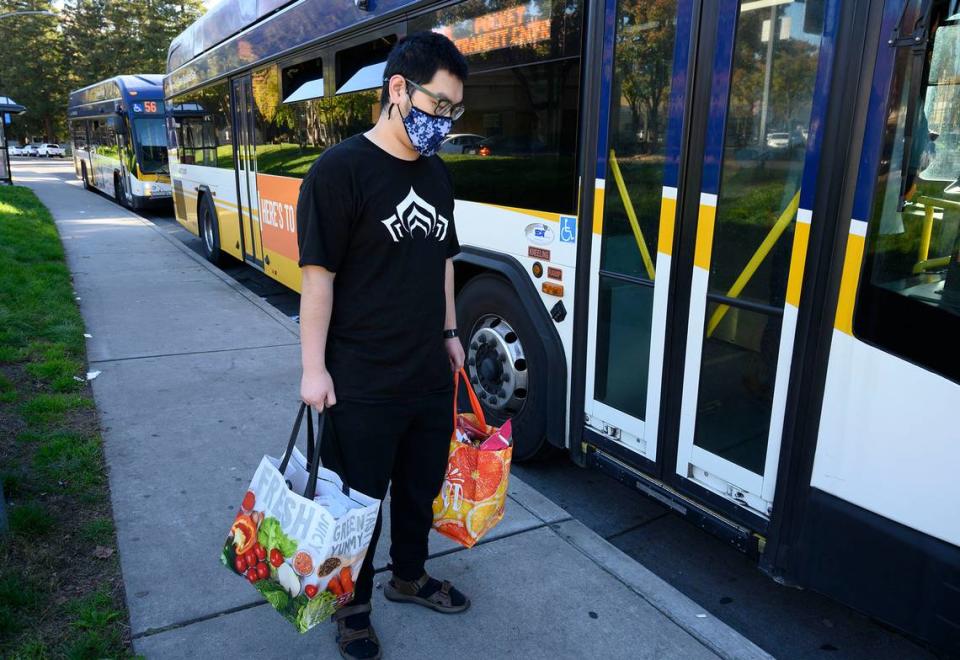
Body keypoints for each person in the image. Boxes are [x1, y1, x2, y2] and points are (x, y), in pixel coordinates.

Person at [296, 32, 470, 660]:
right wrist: (313, 369)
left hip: (427, 371)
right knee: (357, 502)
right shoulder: (338, 172)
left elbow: (445, 260)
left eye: (454, 111)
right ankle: (353, 607)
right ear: (398, 89)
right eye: (439, 105)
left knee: (418, 489)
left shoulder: (437, 173)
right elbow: (318, 280)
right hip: (361, 378)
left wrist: (450, 333)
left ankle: (409, 576)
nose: (444, 122)